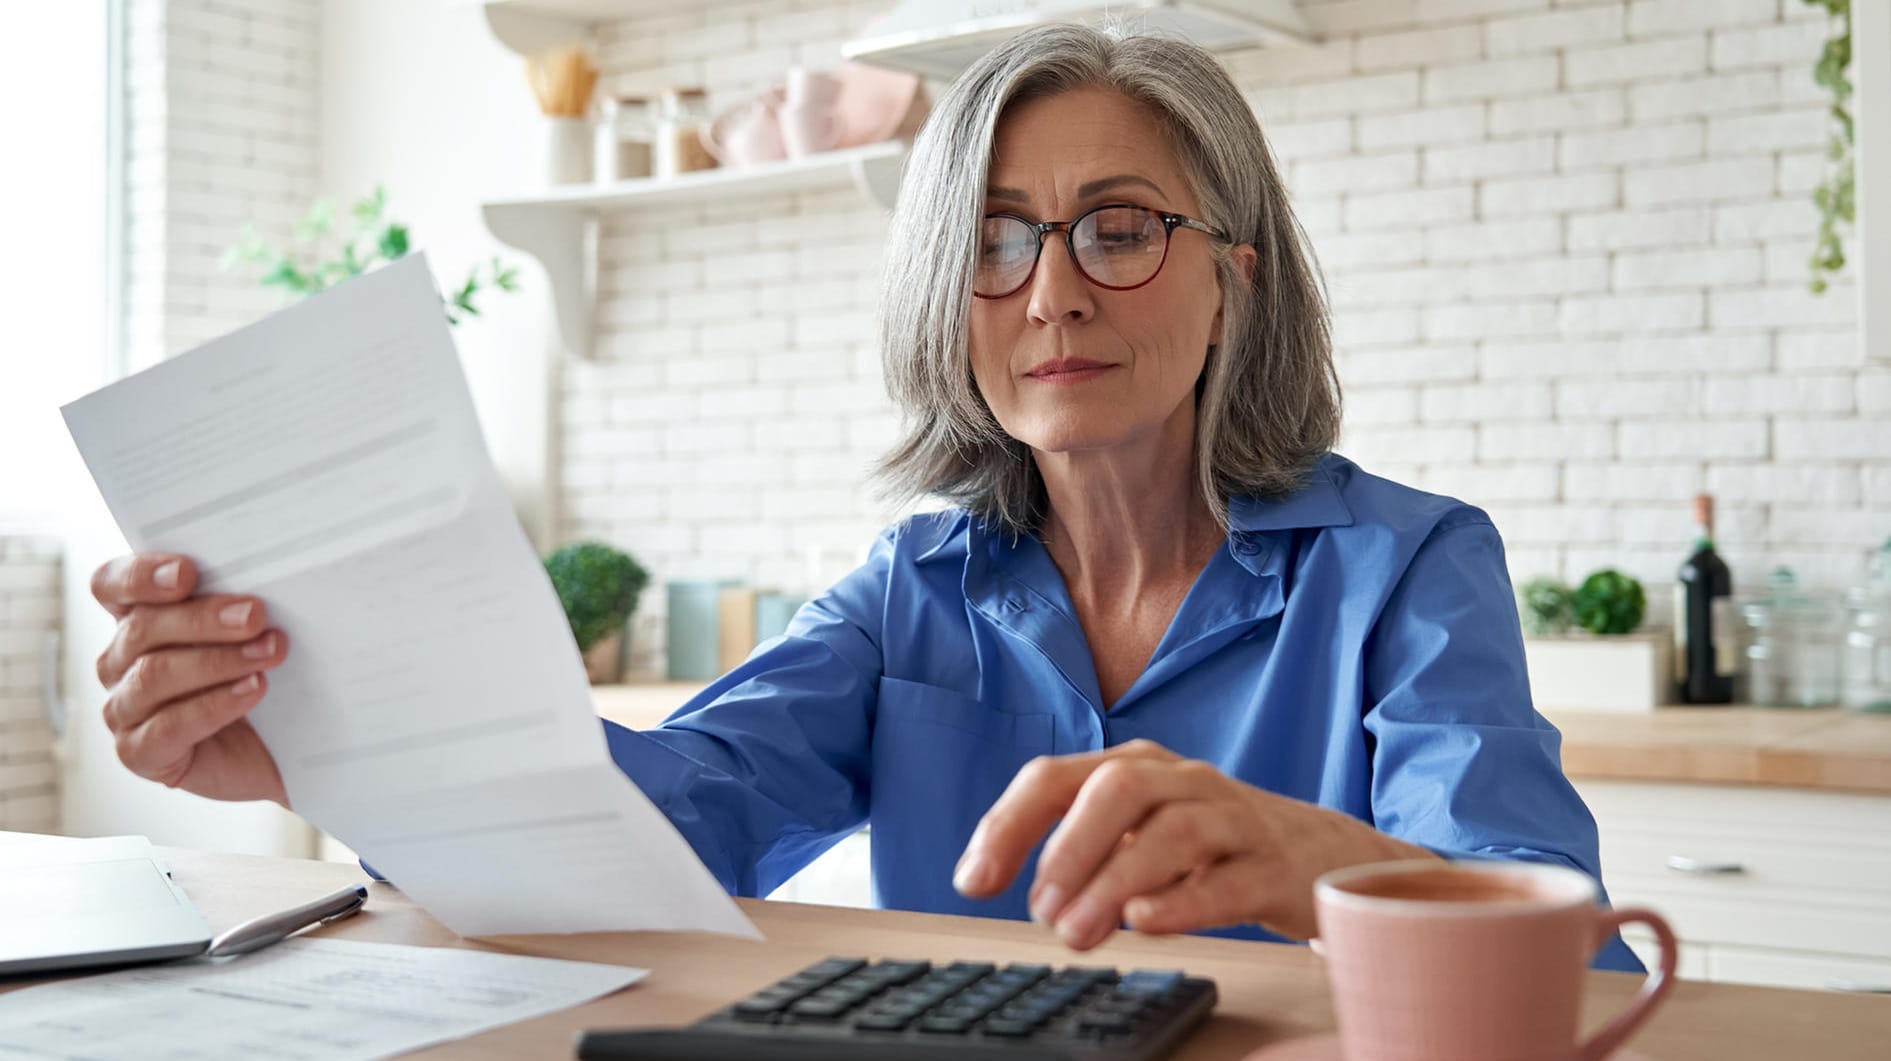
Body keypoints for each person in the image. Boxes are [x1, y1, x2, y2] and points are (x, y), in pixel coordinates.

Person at [86, 24, 1641, 970]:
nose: (1050, 294)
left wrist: (1309, 859)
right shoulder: (916, 589)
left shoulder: (1407, 569)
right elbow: (666, 824)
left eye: (1116, 228)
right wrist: (327, 741)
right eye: (994, 238)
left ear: (1231, 281)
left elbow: (1562, 936)